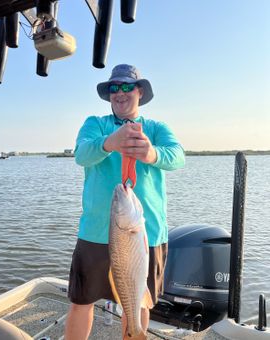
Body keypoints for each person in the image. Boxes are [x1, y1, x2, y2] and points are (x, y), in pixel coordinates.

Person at [64, 64, 185, 340]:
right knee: (81, 301)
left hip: (147, 233)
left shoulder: (156, 128)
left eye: (127, 87)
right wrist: (109, 143)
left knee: (138, 302)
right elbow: (82, 154)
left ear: (139, 91)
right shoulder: (95, 124)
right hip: (95, 232)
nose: (120, 93)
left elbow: (178, 156)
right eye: (114, 88)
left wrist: (152, 153)